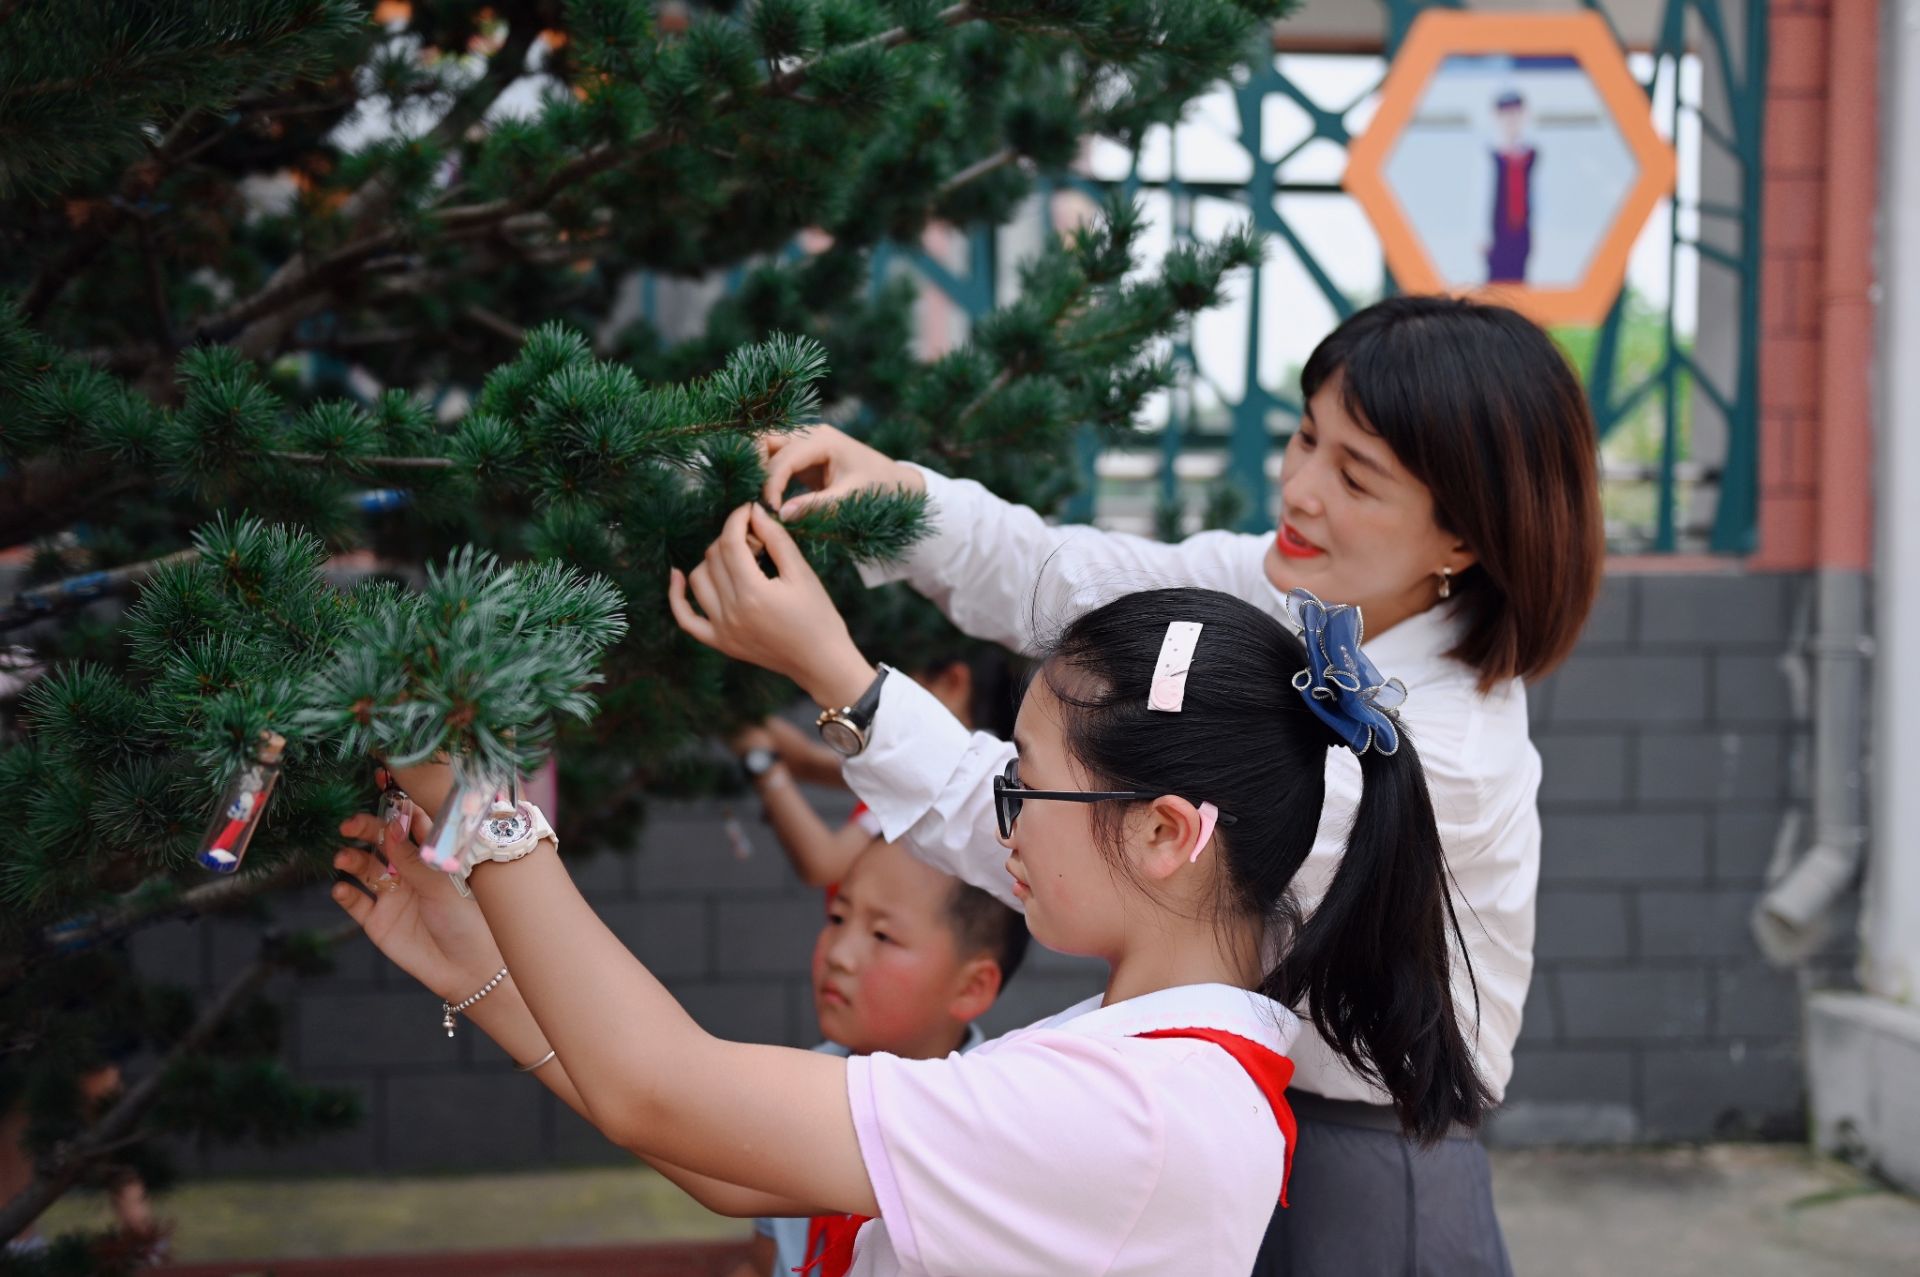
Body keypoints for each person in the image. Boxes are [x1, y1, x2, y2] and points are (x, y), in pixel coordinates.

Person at [737, 295, 1605, 1273]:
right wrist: (895, 496)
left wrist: (844, 683)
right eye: (1306, 436)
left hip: (1359, 1185)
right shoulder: (1311, 596)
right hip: (1243, 1132)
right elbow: (1067, 579)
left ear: (1462, 540)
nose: (1301, 488)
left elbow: (1076, 839)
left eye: (1355, 474)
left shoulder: (1442, 748)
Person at [332, 554, 1489, 1276]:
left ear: (1166, 832)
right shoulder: (1154, 1063)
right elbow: (724, 1159)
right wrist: (481, 962)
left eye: (1027, 782)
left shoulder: (1132, 1109)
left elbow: (665, 1092)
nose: (1008, 815)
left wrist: (485, 806)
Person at [723, 836, 1028, 1277]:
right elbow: (765, 1258)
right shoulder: (794, 1085)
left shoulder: (990, 1125)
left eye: (883, 935)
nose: (840, 954)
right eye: (837, 917)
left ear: (972, 986)